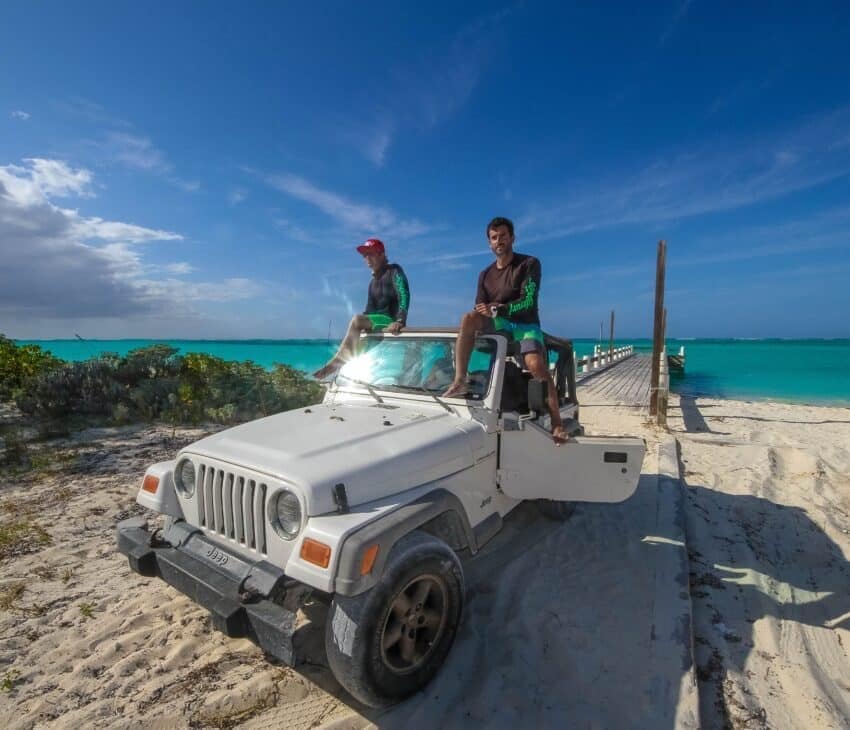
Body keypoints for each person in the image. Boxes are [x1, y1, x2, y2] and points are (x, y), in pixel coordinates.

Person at [442, 217, 567, 445]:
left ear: (512, 238)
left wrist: (499, 309)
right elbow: (479, 306)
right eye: (494, 237)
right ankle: (460, 378)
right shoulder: (484, 274)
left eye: (503, 236)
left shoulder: (529, 263)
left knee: (535, 365)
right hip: (499, 323)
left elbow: (528, 301)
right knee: (468, 319)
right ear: (489, 243)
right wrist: (485, 312)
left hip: (525, 324)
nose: (499, 240)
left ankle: (557, 422)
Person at [313, 238, 410, 380]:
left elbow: (404, 293)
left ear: (382, 255)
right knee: (360, 336)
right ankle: (351, 373)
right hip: (376, 324)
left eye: (371, 254)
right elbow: (369, 311)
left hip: (390, 321)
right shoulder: (372, 283)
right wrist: (362, 327)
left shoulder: (394, 271)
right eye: (365, 255)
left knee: (357, 320)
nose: (367, 258)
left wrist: (400, 320)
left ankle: (337, 362)